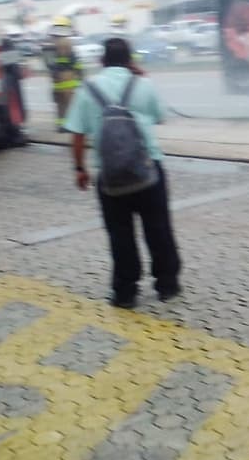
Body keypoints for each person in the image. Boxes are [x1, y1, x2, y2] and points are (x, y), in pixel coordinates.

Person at [64, 37, 181, 309]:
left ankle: (125, 292)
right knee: (158, 228)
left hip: (110, 175)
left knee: (120, 233)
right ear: (130, 60)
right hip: (149, 170)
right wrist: (141, 78)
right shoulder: (143, 84)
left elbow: (77, 134)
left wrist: (80, 168)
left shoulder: (87, 89)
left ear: (102, 60)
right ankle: (167, 285)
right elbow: (158, 117)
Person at [41, 16, 83, 131]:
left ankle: (61, 125)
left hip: (56, 79)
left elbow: (48, 62)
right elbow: (75, 62)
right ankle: (71, 126)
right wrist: (80, 76)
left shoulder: (48, 43)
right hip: (68, 77)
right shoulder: (67, 42)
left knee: (60, 104)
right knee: (71, 104)